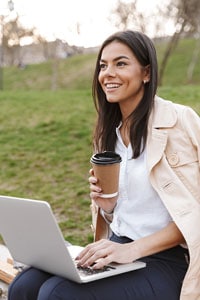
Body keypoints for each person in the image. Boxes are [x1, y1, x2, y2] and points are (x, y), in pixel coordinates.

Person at [8, 30, 200, 300]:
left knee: (57, 294)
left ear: (146, 73)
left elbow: (195, 213)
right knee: (23, 286)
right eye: (103, 65)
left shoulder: (179, 121)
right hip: (119, 247)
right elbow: (125, 215)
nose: (107, 73)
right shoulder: (108, 134)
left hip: (170, 260)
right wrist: (108, 209)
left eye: (120, 63)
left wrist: (131, 250)